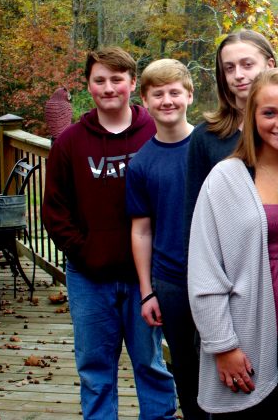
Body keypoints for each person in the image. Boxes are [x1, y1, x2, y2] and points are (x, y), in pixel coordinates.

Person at [42, 47, 177, 419]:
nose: (108, 88)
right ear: (89, 85)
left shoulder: (155, 131)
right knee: (95, 369)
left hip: (145, 279)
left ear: (133, 84)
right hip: (89, 277)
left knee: (151, 364)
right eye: (99, 80)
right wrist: (84, 251)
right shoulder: (70, 143)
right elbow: (54, 210)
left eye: (117, 79)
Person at [188, 68, 278, 418]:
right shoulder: (226, 178)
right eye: (269, 113)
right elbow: (205, 269)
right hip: (244, 330)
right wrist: (222, 345)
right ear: (252, 118)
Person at [126, 59, 206, 419]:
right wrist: (147, 291)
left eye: (175, 92)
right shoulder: (142, 163)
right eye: (158, 94)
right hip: (170, 279)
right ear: (144, 101)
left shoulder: (210, 146)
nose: (167, 100)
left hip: (217, 275)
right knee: (185, 369)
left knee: (225, 360)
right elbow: (141, 230)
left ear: (189, 95)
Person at [183, 30, 276, 248]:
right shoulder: (207, 136)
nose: (239, 75)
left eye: (247, 65)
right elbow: (194, 215)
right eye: (229, 68)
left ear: (269, 65)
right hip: (227, 259)